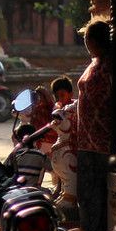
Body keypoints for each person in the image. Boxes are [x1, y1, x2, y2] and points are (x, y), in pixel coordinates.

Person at [72, 20, 113, 231]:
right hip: (87, 140)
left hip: (102, 140)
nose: (86, 44)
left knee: (96, 194)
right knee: (87, 193)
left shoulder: (109, 65)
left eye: (88, 39)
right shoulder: (95, 63)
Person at [48, 76, 79, 210]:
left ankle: (70, 196)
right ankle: (63, 191)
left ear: (70, 94)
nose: (59, 98)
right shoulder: (58, 110)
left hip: (72, 146)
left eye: (62, 95)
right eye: (57, 96)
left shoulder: (74, 108)